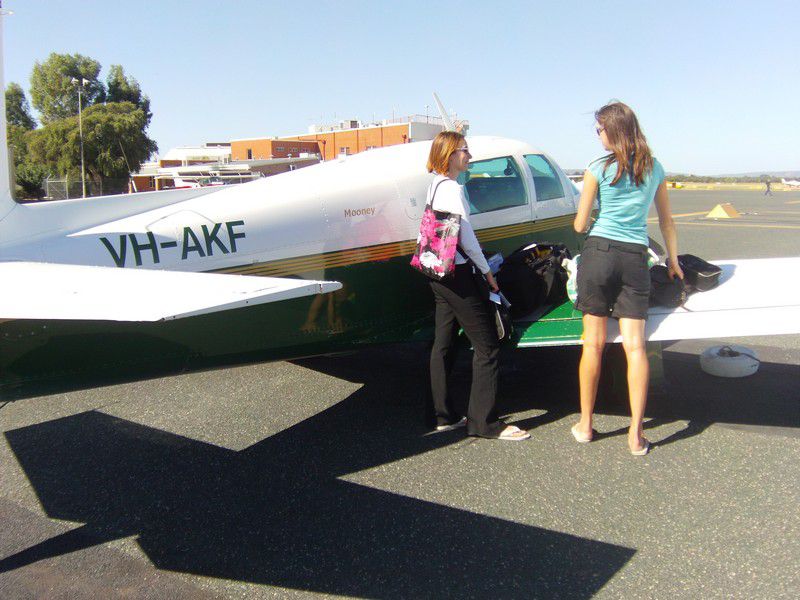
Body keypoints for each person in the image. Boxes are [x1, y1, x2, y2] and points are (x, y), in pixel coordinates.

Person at [572, 102, 683, 456]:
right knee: (636, 347)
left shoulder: (597, 168)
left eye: (599, 128)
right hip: (636, 257)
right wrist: (674, 261)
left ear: (613, 131)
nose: (597, 134)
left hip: (600, 253)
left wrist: (594, 223)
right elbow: (667, 222)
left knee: (593, 344)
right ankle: (636, 436)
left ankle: (586, 425)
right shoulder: (655, 168)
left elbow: (579, 223)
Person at [425, 131, 529, 441]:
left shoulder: (434, 185)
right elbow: (466, 238)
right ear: (451, 156)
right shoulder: (453, 189)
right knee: (487, 346)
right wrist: (487, 273)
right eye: (465, 151)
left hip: (436, 274)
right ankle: (484, 422)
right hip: (456, 275)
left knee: (443, 343)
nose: (469, 156)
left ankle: (443, 414)